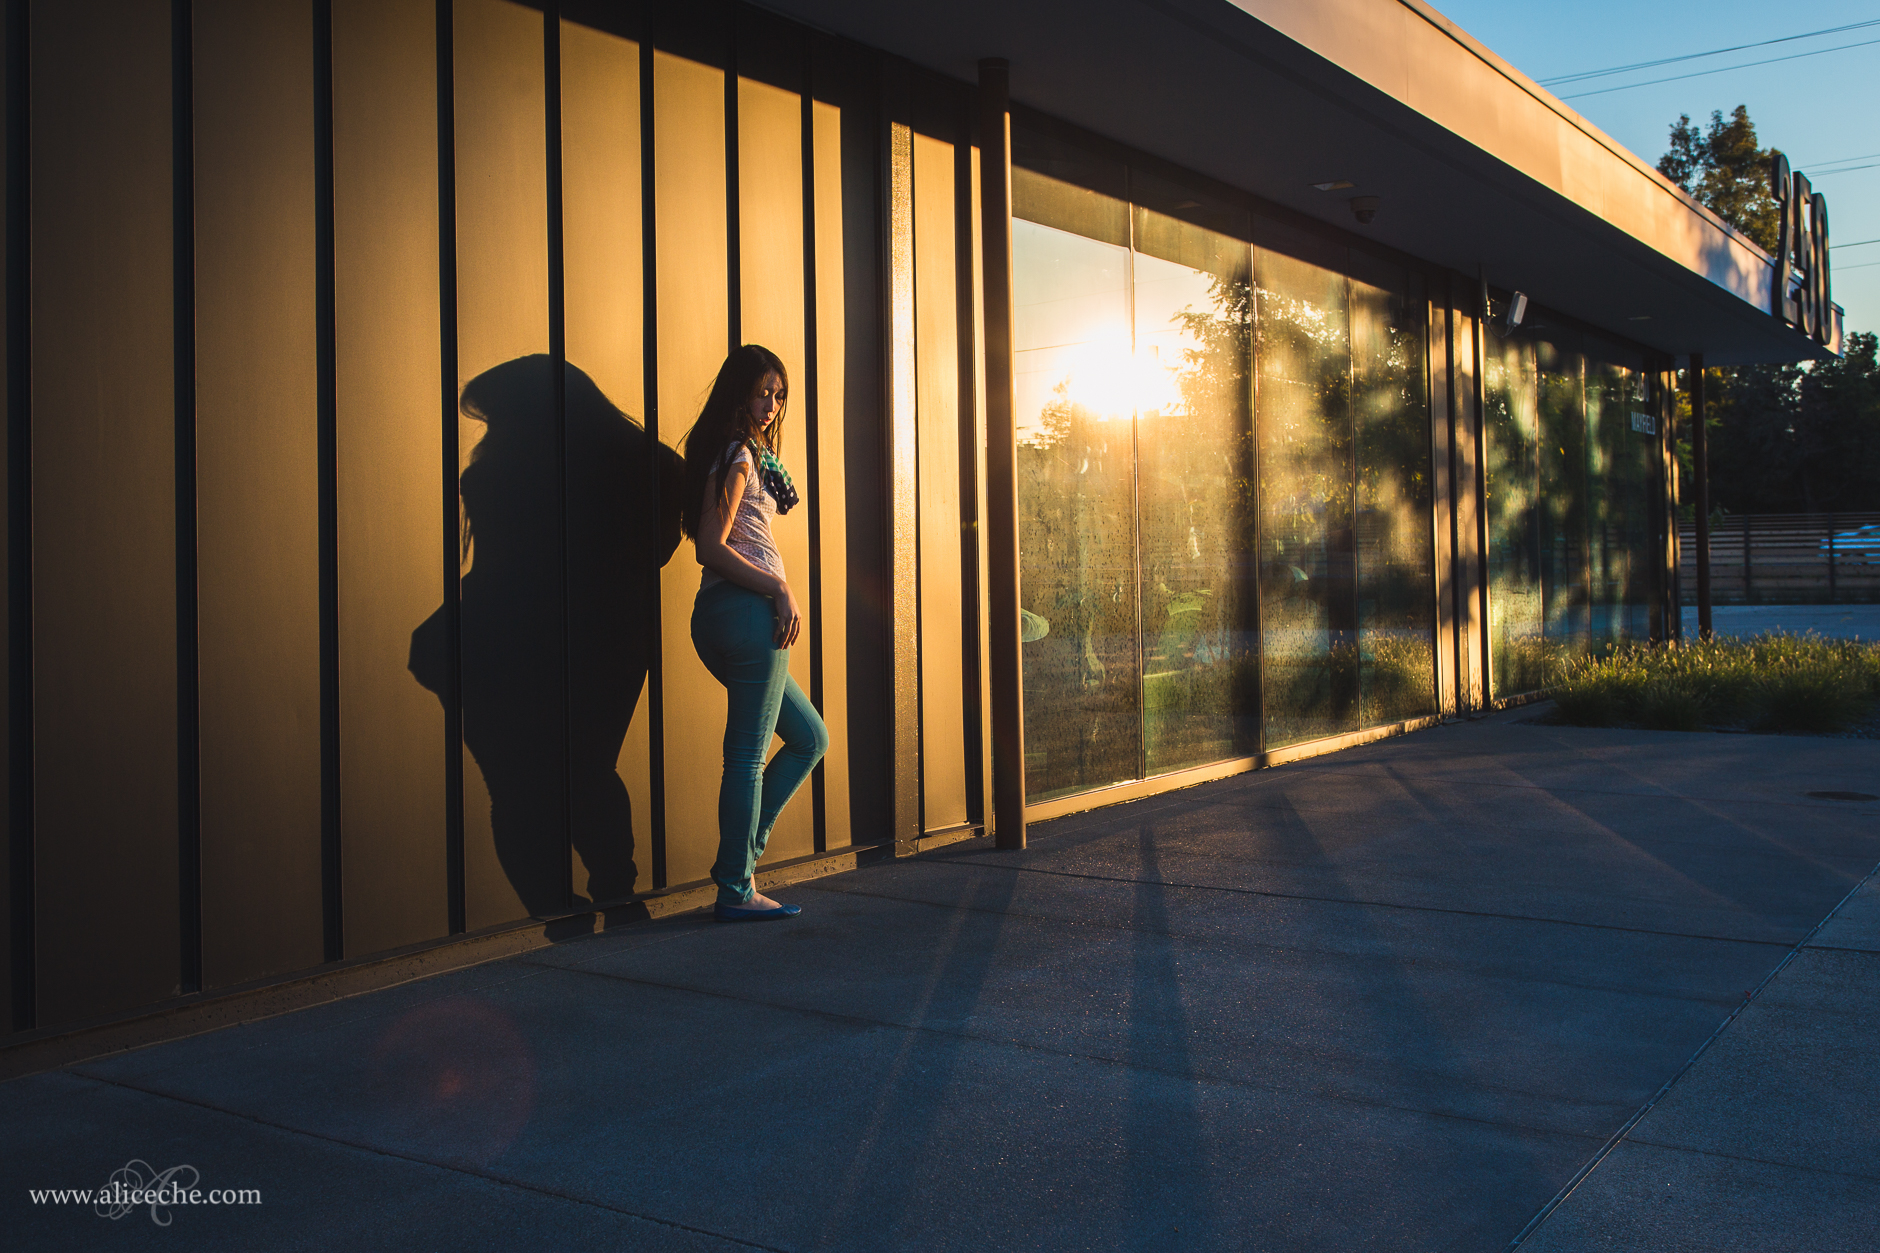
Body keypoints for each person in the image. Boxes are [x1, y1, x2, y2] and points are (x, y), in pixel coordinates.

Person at [681, 344, 829, 922]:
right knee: (745, 755)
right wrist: (777, 588)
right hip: (744, 614)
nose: (770, 404)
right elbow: (711, 546)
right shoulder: (740, 453)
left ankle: (741, 858)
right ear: (739, 390)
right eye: (762, 392)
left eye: (778, 395)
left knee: (809, 738)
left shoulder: (730, 452)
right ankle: (736, 886)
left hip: (721, 617)